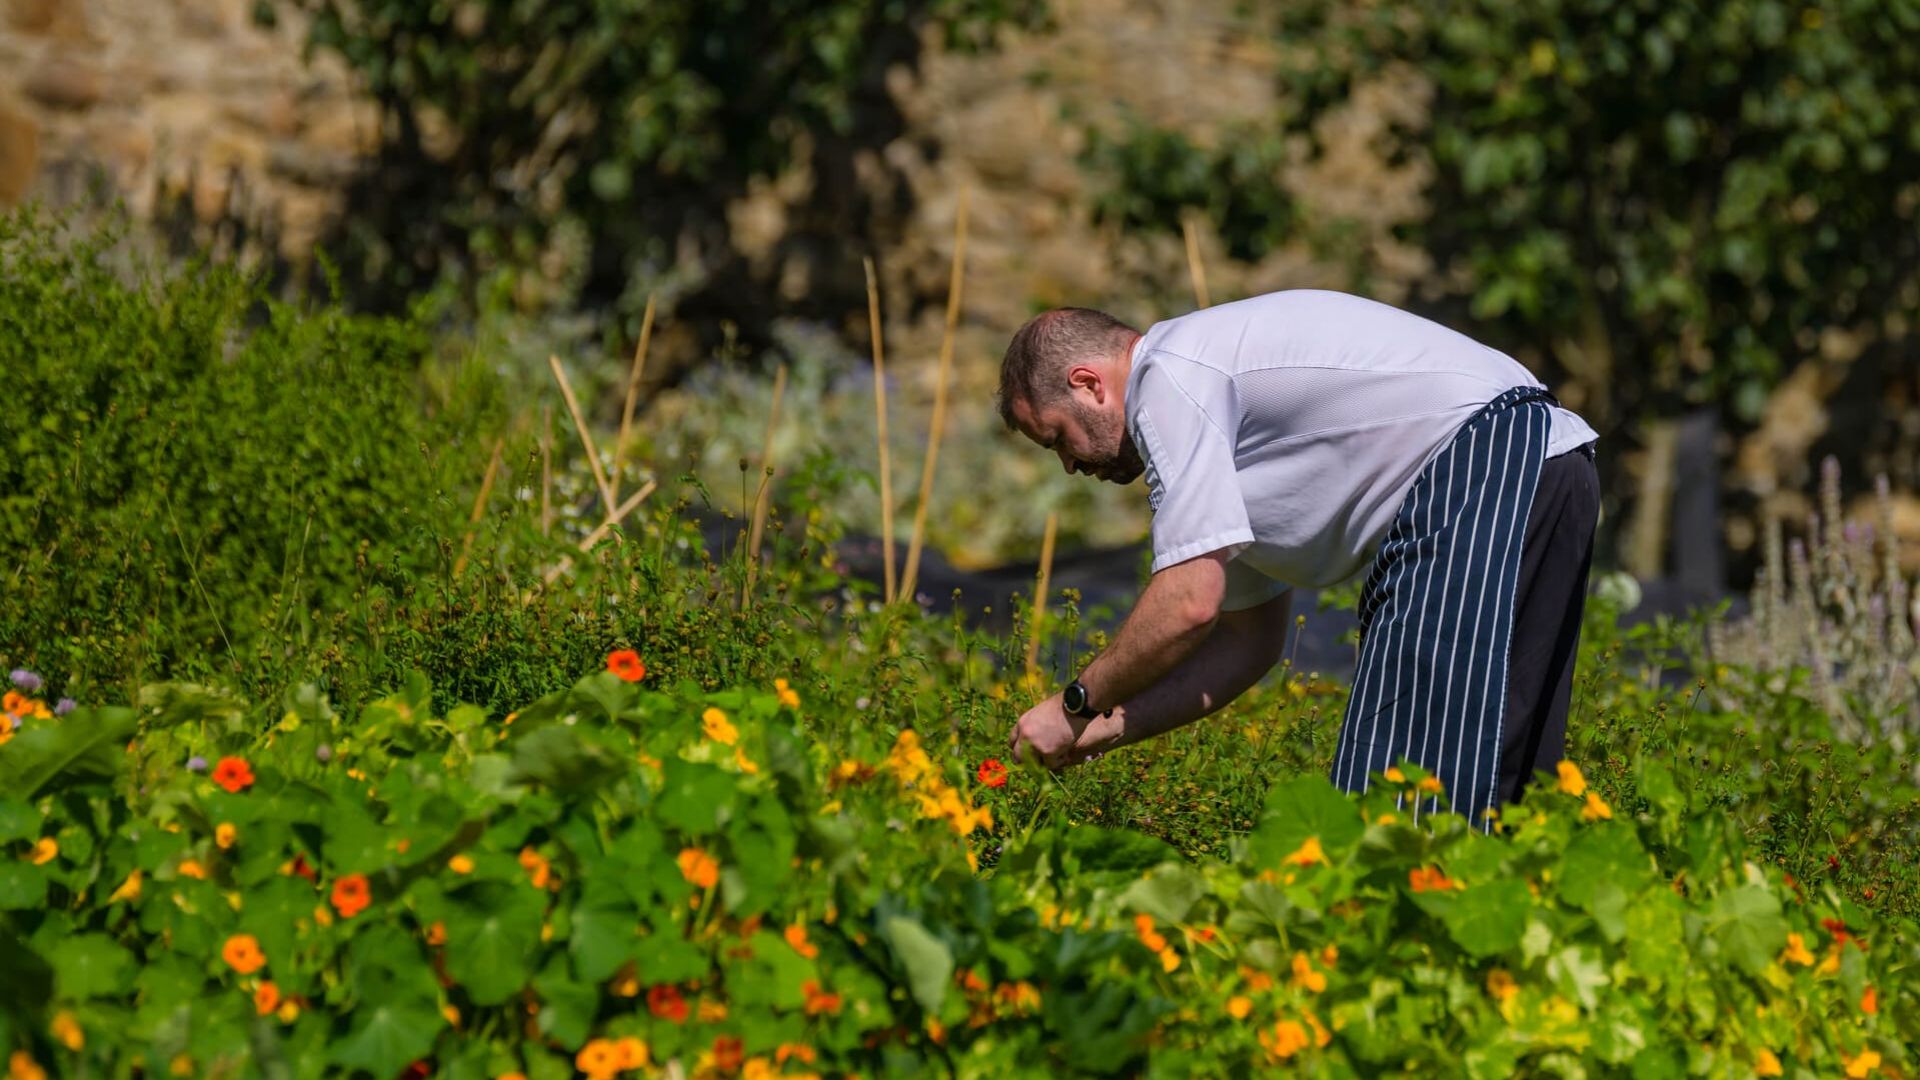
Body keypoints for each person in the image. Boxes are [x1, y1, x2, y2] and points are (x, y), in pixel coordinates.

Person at [1000, 290, 1600, 825]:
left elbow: (1188, 606)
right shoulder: (1217, 412)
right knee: (1507, 788)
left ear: (1089, 384)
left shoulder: (1169, 375)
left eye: (1057, 439)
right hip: (1543, 463)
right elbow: (1246, 642)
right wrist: (1095, 731)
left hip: (1482, 469)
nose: (1071, 466)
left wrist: (1074, 703)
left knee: (1399, 805)